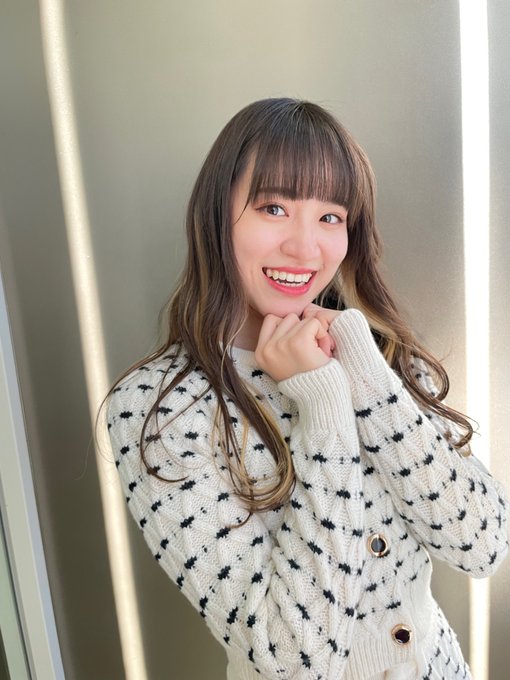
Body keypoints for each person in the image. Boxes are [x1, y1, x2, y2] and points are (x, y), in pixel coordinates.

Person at [106, 98, 508, 680]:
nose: (305, 247)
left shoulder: (376, 351)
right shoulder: (159, 409)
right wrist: (323, 409)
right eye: (273, 207)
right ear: (216, 216)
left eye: (330, 217)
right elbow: (294, 660)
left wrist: (364, 375)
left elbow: (483, 543)